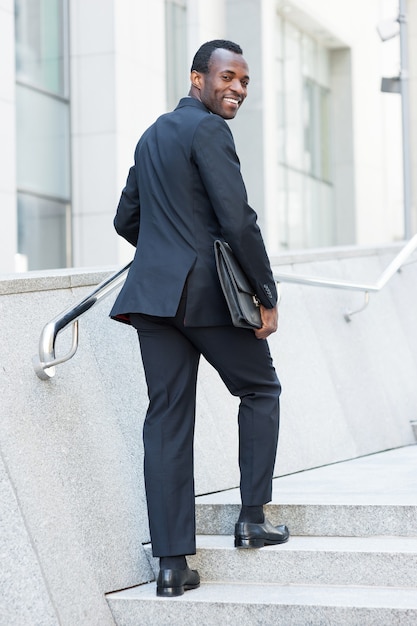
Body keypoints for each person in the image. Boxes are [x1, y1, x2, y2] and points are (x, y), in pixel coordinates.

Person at [110, 39, 289, 598]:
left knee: (166, 422)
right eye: (227, 77)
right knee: (260, 389)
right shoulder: (210, 131)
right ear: (197, 79)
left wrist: (166, 252)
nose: (236, 88)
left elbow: (125, 219)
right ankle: (252, 519)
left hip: (153, 300)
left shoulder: (151, 134)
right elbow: (238, 221)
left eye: (244, 81)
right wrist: (266, 293)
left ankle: (171, 565)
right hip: (208, 297)